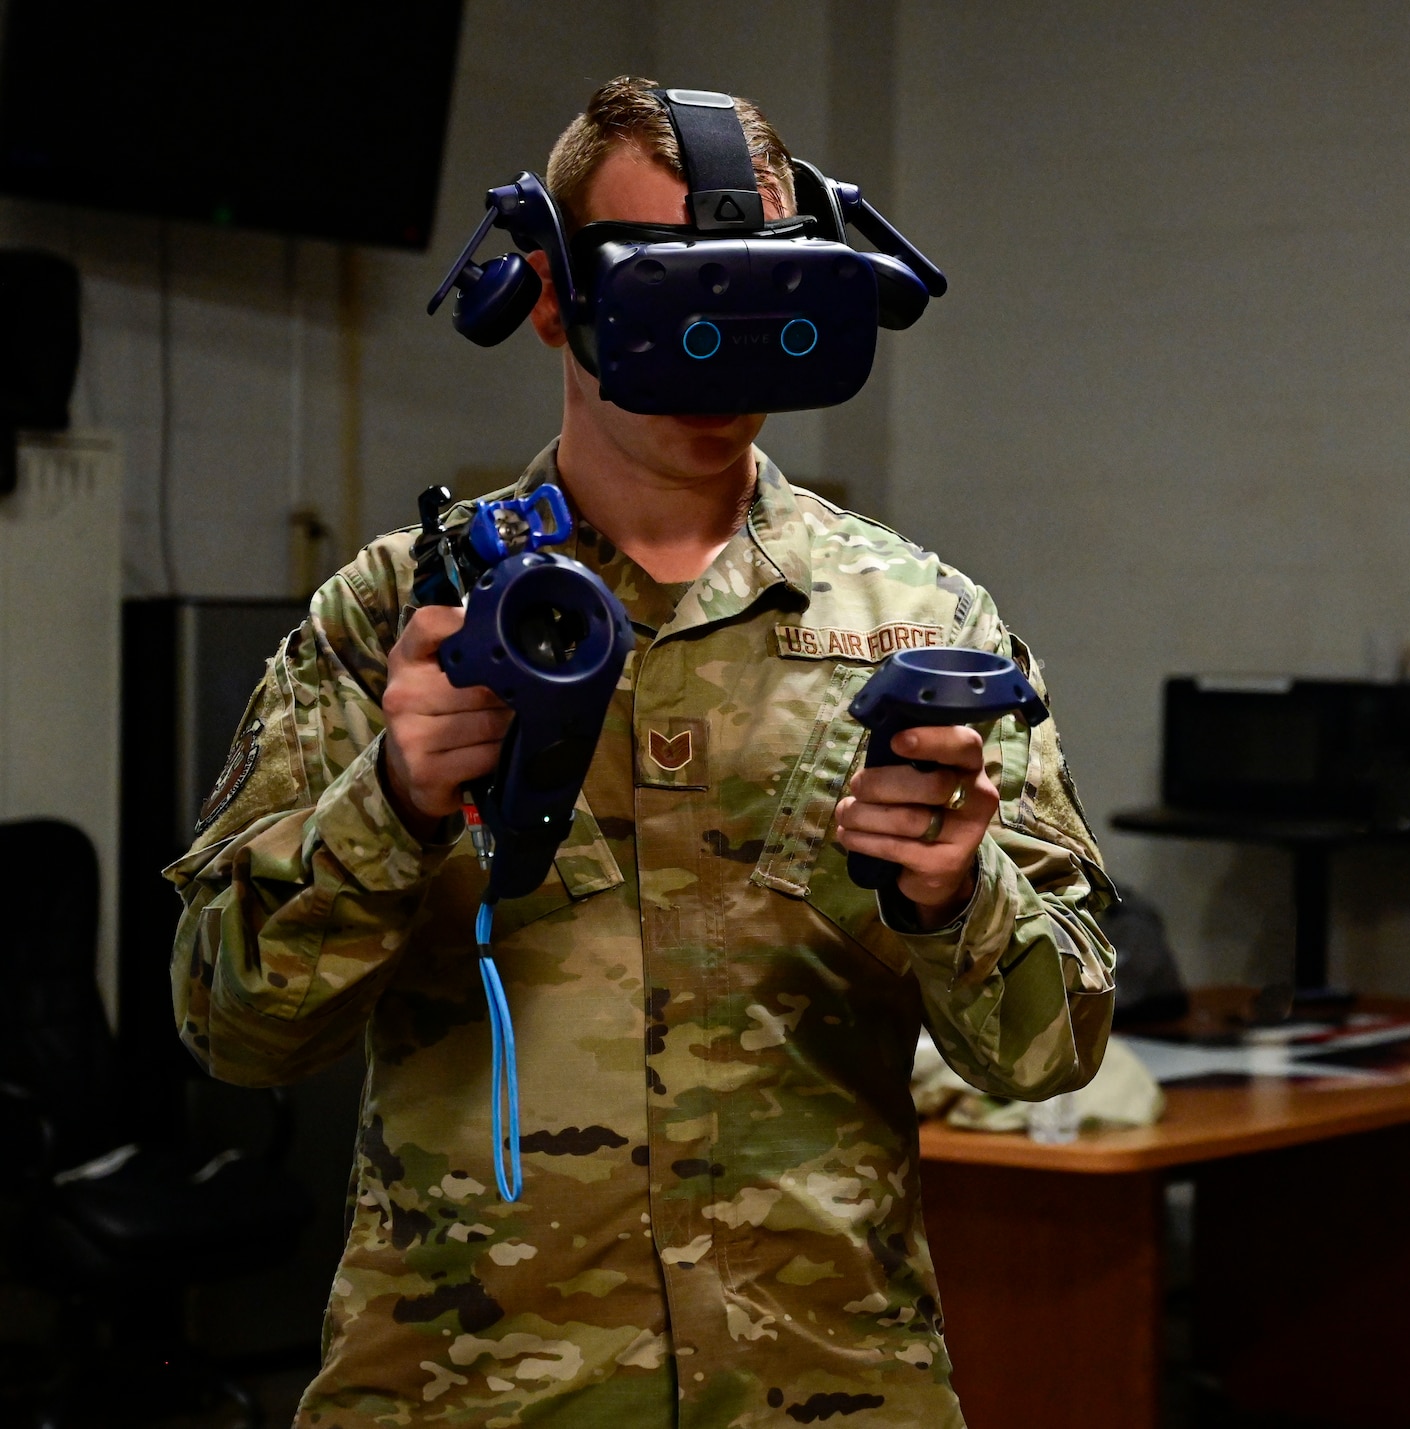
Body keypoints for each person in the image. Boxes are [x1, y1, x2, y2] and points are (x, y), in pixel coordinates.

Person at [168, 77, 1115, 1428]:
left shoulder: (921, 623)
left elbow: (1053, 1047)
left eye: (755, 283)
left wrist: (958, 895)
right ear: (553, 295)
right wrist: (392, 800)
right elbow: (230, 1026)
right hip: (468, 1393)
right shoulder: (398, 618)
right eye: (673, 283)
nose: (721, 332)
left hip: (827, 1388)